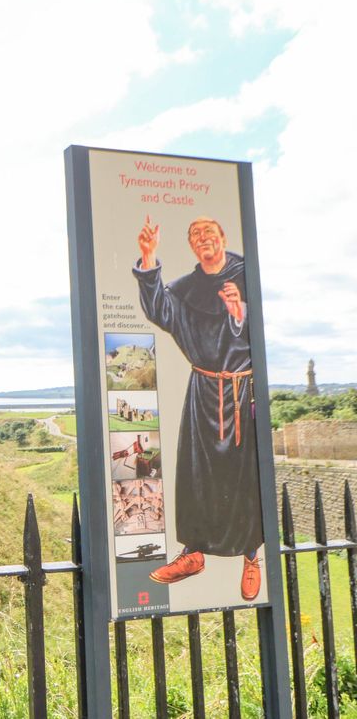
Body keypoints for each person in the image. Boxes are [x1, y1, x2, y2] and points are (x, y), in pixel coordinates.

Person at [133, 215, 263, 601]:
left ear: (223, 238)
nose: (202, 238)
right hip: (203, 391)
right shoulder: (187, 288)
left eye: (209, 232)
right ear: (191, 246)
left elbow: (259, 332)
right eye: (194, 235)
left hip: (241, 393)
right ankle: (193, 554)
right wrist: (148, 257)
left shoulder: (246, 277)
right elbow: (159, 309)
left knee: (243, 479)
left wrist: (240, 314)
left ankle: (251, 557)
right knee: (197, 475)